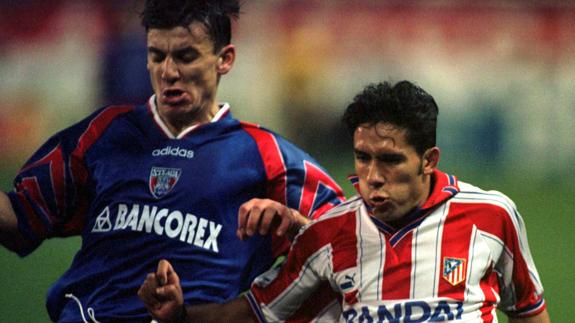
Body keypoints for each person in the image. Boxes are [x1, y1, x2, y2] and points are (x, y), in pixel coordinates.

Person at [0, 0, 345, 322]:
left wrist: (294, 223)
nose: (168, 72)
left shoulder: (267, 155)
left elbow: (350, 242)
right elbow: (21, 218)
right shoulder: (102, 133)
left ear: (224, 59)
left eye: (185, 56)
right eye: (156, 55)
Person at [138, 80, 550, 322]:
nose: (371, 176)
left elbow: (529, 309)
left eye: (389, 159)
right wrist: (182, 314)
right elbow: (259, 311)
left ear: (428, 160)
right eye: (362, 157)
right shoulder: (328, 234)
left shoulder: (491, 216)